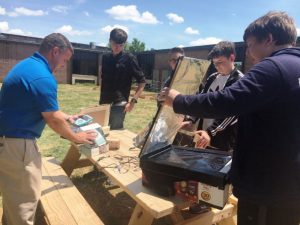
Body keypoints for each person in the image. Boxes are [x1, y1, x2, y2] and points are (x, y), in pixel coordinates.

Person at [160, 11, 300, 225]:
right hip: (288, 179)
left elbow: (227, 102)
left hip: (267, 184)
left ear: (269, 39)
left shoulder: (273, 67)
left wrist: (178, 100)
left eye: (251, 45)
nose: (250, 54)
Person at [0, 33, 96, 225]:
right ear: (55, 51)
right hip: (18, 147)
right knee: (24, 204)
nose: (63, 65)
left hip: (8, 142)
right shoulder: (43, 77)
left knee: (14, 198)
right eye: (64, 60)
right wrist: (77, 137)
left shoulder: (28, 66)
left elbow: (46, 109)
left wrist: (67, 117)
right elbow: (53, 120)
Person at [194, 41, 243, 151]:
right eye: (214, 63)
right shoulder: (212, 77)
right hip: (204, 136)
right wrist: (191, 119)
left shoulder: (240, 81)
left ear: (232, 58)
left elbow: (231, 112)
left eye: (220, 62)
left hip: (222, 141)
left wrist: (210, 132)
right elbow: (201, 100)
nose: (217, 67)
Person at [99, 28, 146, 130]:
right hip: (104, 101)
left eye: (121, 45)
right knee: (101, 131)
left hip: (120, 103)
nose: (118, 47)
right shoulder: (105, 57)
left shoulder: (129, 58)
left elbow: (142, 81)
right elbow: (103, 78)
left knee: (115, 132)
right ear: (110, 40)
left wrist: (133, 101)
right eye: (115, 44)